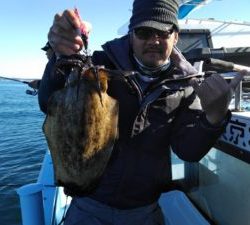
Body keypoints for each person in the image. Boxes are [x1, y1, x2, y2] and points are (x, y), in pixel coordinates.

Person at [38, 0, 247, 224]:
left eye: (163, 32)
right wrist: (63, 55)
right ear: (131, 35)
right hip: (88, 203)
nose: (154, 41)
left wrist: (214, 117)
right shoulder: (99, 63)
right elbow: (49, 100)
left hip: (144, 209)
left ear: (175, 36)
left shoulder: (186, 86)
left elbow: (188, 151)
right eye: (144, 32)